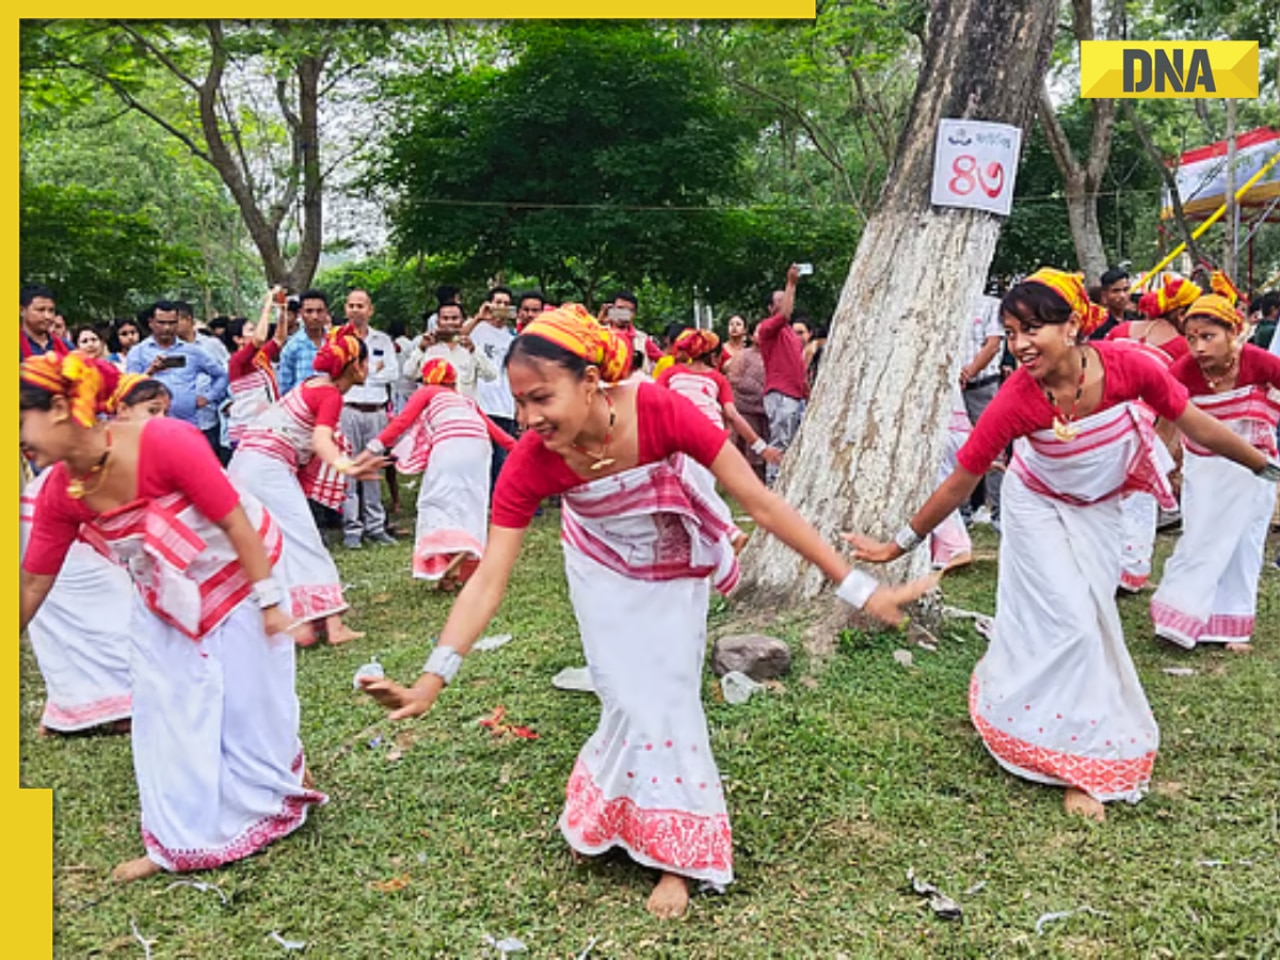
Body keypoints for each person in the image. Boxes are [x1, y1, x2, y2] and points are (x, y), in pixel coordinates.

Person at [357, 304, 934, 919]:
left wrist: (858, 588)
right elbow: (488, 581)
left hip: (672, 562)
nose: (526, 418)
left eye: (540, 398)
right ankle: (609, 809)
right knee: (623, 695)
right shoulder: (531, 459)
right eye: (519, 402)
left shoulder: (660, 409)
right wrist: (433, 677)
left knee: (666, 697)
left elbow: (762, 506)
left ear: (590, 381)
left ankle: (675, 858)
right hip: (599, 569)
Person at [844, 268, 1277, 823]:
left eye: (1032, 329)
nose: (1020, 344)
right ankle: (1077, 766)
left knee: (1092, 616)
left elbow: (1194, 422)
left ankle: (1053, 722)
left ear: (1073, 325)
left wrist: (1264, 467)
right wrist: (896, 545)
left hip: (1099, 507)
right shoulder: (1016, 397)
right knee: (1070, 618)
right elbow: (961, 479)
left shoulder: (1128, 367)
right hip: (1035, 505)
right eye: (1011, 330)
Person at [19, 352, 325, 882]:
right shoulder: (58, 494)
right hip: (165, 593)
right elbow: (32, 583)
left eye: (17, 423)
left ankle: (278, 787)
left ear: (62, 407)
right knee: (167, 710)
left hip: (242, 575)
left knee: (253, 703)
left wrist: (271, 603)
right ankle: (178, 842)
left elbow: (235, 524)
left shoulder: (166, 441)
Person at [16, 375, 166, 737]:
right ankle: (99, 706)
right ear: (122, 410)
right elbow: (35, 583)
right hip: (56, 536)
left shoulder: (164, 445)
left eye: (163, 410)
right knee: (103, 613)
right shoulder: (62, 481)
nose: (160, 419)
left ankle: (106, 705)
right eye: (152, 410)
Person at [229, 325, 379, 646]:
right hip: (266, 465)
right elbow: (320, 438)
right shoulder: (329, 394)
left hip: (247, 463)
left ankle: (300, 621)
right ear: (356, 366)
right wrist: (346, 465)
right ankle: (333, 623)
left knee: (273, 540)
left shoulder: (312, 384)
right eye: (366, 363)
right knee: (303, 537)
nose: (368, 369)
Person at [1153, 289, 1280, 653]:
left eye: (1208, 337)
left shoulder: (1259, 362)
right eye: (1191, 339)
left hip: (1254, 471)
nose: (1199, 348)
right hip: (1204, 471)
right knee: (1199, 539)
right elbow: (1163, 422)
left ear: (1234, 333)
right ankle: (1183, 616)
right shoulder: (1182, 372)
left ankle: (1234, 626)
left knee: (1245, 544)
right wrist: (1156, 470)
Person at [365, 358, 515, 589]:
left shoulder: (428, 392)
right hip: (480, 449)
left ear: (426, 379)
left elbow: (403, 421)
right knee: (471, 505)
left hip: (451, 445)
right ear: (453, 381)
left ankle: (451, 559)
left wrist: (373, 447)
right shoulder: (466, 401)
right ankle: (460, 561)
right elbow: (497, 434)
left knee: (435, 503)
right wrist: (523, 450)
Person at [1107, 274, 1201, 590]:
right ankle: (1128, 572)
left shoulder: (1120, 332)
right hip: (1143, 426)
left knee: (1105, 496)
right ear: (1181, 314)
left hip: (1103, 418)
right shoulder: (1181, 347)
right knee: (1139, 498)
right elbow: (1174, 405)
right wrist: (1167, 452)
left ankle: (1102, 563)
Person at [338, 290, 399, 549]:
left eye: (360, 305)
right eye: (351, 305)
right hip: (348, 409)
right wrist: (374, 370)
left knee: (373, 469)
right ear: (345, 309)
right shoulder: (339, 340)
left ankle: (375, 525)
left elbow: (393, 372)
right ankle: (352, 528)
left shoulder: (382, 340)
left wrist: (361, 371)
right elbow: (335, 371)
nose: (355, 310)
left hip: (375, 410)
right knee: (349, 469)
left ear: (370, 310)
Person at [125, 300, 228, 449]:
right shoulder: (138, 352)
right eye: (161, 322)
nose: (167, 328)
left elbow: (221, 375)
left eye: (172, 323)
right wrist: (150, 371)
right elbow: (129, 388)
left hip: (188, 426)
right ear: (151, 323)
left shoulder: (192, 351)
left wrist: (208, 397)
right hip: (151, 430)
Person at [754, 265, 809, 484]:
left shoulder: (792, 335)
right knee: (780, 441)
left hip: (796, 394)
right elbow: (784, 313)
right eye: (779, 299)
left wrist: (807, 391)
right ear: (770, 308)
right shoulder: (768, 328)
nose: (784, 301)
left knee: (793, 443)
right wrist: (791, 284)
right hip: (780, 393)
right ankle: (773, 485)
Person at [465, 288, 522, 490]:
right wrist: (478, 318)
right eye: (498, 302)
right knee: (480, 454)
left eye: (506, 303)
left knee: (501, 456)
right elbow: (455, 339)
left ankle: (497, 497)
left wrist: (517, 406)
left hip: (504, 404)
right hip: (480, 402)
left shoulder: (511, 337)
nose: (502, 307)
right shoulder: (477, 330)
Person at [959, 286, 1007, 523]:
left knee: (992, 447)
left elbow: (993, 344)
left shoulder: (990, 305)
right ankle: (961, 511)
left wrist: (969, 372)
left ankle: (998, 513)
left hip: (983, 384)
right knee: (957, 447)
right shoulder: (946, 303)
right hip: (952, 389)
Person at [225, 290, 290, 450]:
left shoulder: (260, 357)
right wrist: (268, 303)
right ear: (238, 339)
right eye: (250, 330)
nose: (255, 333)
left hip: (265, 425)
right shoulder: (238, 361)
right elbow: (260, 339)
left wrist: (282, 311)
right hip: (247, 429)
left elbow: (279, 339)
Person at [403, 301, 497, 401]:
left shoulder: (469, 348)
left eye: (454, 318)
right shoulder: (427, 347)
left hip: (464, 411)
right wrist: (421, 349)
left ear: (462, 321)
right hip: (435, 410)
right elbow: (408, 374)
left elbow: (491, 375)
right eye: (445, 318)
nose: (450, 322)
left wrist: (474, 351)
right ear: (438, 322)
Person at [724, 323, 770, 483]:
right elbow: (734, 379)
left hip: (766, 408)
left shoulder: (772, 355)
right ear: (751, 336)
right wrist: (757, 388)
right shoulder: (743, 356)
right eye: (758, 332)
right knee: (749, 446)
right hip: (745, 408)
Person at [278, 289, 332, 395]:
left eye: (319, 311)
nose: (315, 316)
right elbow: (285, 389)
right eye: (309, 311)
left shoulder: (336, 342)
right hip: (302, 407)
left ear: (326, 312)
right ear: (300, 313)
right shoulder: (291, 347)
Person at [20, 283, 70, 360]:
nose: (48, 316)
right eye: (40, 310)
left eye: (51, 310)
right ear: (22, 311)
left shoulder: (66, 346)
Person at [1090, 267, 1132, 341]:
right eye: (1116, 291)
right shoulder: (1097, 324)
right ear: (1104, 295)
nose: (1122, 295)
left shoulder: (1135, 320)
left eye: (1126, 290)